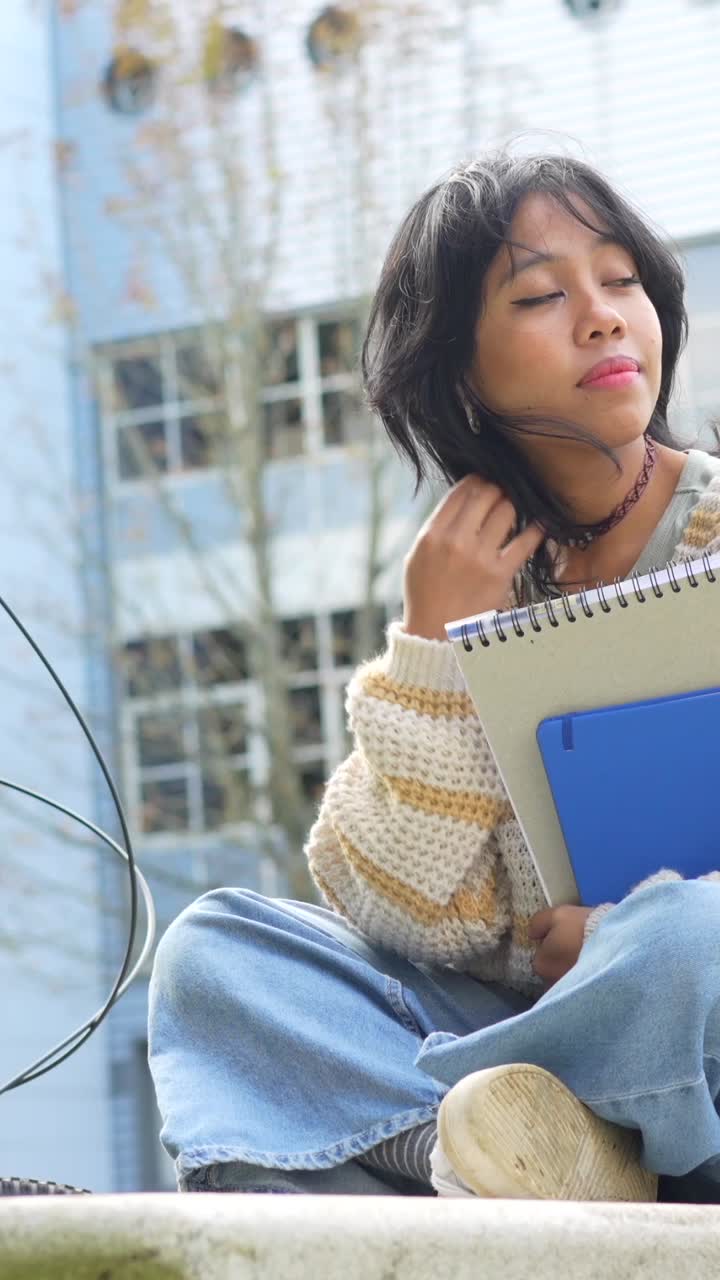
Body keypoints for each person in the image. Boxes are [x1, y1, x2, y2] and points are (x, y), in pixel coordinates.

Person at [148, 151, 720, 1202]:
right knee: (215, 949)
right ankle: (486, 1154)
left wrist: (622, 938)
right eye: (544, 295)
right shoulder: (467, 573)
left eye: (621, 278)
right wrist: (427, 646)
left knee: (686, 936)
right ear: (461, 370)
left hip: (693, 1034)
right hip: (520, 1054)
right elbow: (411, 915)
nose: (600, 316)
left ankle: (490, 1150)